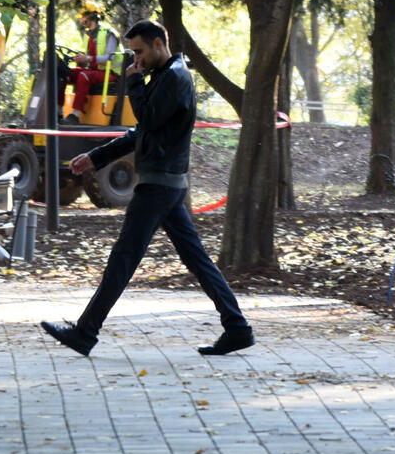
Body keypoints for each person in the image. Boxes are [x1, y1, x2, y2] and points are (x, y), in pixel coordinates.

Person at [41, 20, 254, 357]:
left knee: (123, 258)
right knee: (196, 259)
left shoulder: (175, 78)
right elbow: (142, 131)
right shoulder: (165, 76)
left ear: (158, 44)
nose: (136, 60)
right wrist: (95, 157)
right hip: (166, 184)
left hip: (159, 185)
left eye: (139, 51)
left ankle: (85, 332)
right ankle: (238, 328)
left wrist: (134, 82)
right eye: (133, 54)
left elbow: (148, 119)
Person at [67, 1, 122, 114]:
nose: (81, 20)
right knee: (66, 73)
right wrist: (74, 58)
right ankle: (58, 111)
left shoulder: (109, 34)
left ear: (91, 16)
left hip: (111, 74)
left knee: (84, 75)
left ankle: (75, 114)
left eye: (83, 17)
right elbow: (86, 56)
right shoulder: (88, 35)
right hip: (95, 72)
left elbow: (109, 58)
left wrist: (88, 59)